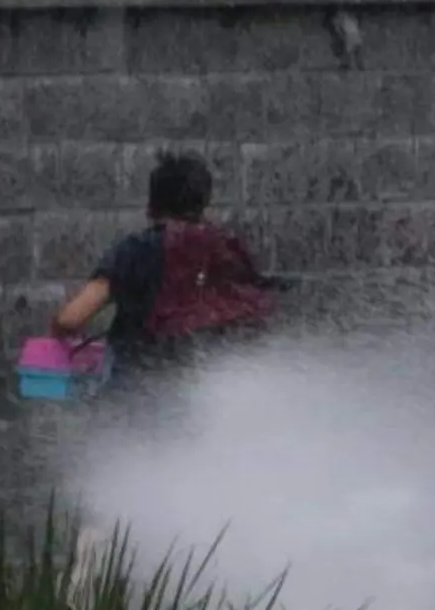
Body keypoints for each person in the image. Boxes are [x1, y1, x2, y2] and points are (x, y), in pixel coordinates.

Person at [48, 149, 285, 423]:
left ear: (151, 205)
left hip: (136, 400)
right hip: (207, 401)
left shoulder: (136, 250)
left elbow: (72, 318)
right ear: (203, 204)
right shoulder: (223, 249)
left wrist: (58, 331)